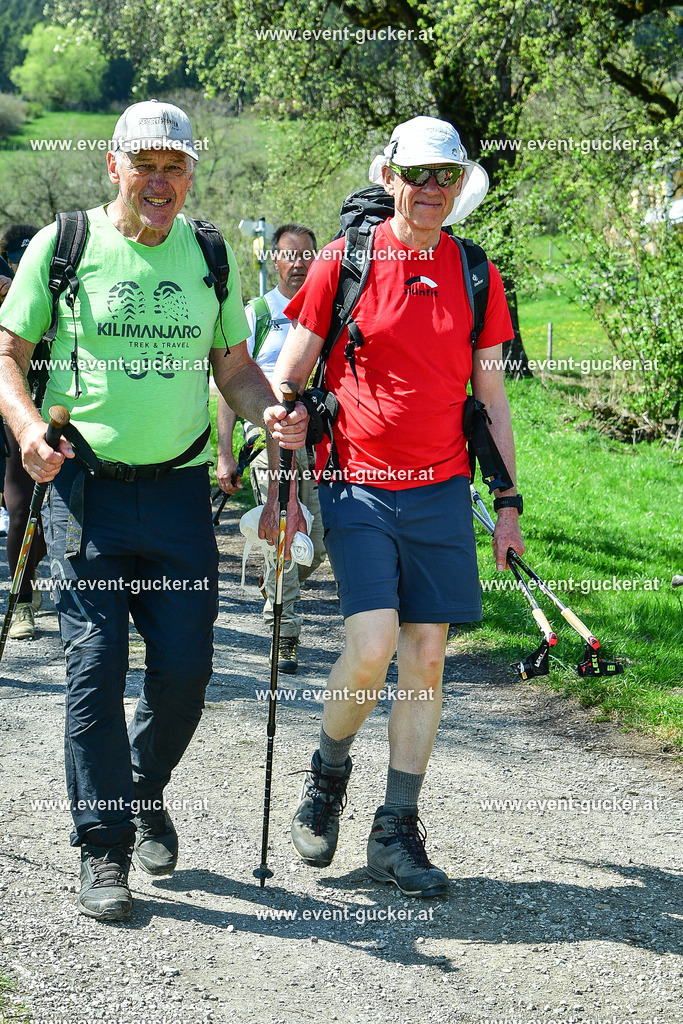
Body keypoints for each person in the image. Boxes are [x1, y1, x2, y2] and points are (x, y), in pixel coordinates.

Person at [0, 99, 307, 922]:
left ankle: (139, 790)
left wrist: (265, 409)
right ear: (115, 167)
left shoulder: (208, 254)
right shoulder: (63, 246)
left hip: (176, 497)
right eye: (146, 165)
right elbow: (7, 353)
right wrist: (29, 428)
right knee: (93, 668)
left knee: (186, 675)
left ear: (190, 172)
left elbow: (233, 365)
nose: (160, 180)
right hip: (83, 491)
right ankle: (103, 849)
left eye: (174, 166)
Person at [260, 116, 525, 897]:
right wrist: (285, 472)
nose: (431, 190)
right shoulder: (342, 263)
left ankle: (393, 831)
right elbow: (288, 377)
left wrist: (507, 500)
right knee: (371, 645)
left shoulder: (475, 271)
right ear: (389, 177)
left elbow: (492, 397)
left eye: (445, 177)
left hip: (442, 488)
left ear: (458, 185)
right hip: (358, 484)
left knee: (427, 656)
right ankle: (328, 772)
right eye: (418, 176)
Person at [216, 223, 326, 673]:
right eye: (288, 255)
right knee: (285, 532)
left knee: (317, 541)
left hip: (316, 436)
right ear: (273, 260)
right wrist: (225, 452)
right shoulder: (257, 311)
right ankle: (285, 628)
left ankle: (275, 583)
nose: (298, 263)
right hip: (267, 439)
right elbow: (227, 383)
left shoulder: (324, 307)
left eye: (306, 255)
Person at [0, 224, 44, 638]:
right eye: (14, 259)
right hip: (19, 416)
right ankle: (24, 601)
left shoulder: (53, 289)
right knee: (19, 511)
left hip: (71, 415)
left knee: (53, 518)